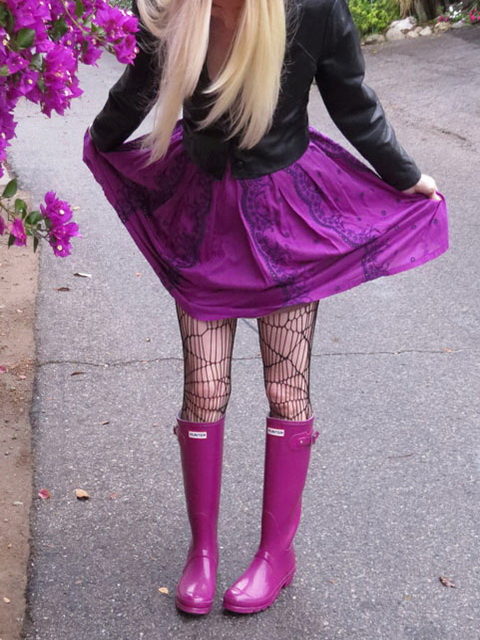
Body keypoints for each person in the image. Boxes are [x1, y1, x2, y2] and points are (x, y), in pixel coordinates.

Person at [82, 0, 449, 616]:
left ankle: (276, 553)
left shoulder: (315, 10)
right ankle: (202, 551)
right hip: (202, 216)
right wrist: (100, 142)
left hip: (285, 219)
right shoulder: (177, 12)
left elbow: (354, 104)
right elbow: (136, 89)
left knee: (285, 387)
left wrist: (406, 175)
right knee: (204, 388)